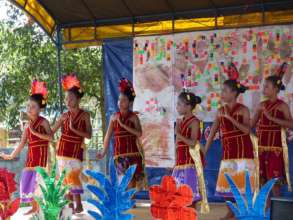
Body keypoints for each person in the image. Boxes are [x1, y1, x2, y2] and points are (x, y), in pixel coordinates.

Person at [205, 64, 256, 220]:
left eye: (225, 91)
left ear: (234, 93)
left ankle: (240, 212)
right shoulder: (220, 110)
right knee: (226, 187)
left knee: (241, 186)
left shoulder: (243, 109)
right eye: (222, 90)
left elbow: (247, 130)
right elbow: (213, 131)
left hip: (243, 153)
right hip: (228, 154)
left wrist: (229, 118)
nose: (222, 93)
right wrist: (204, 151)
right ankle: (231, 211)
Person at [1, 80, 53, 215]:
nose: (29, 109)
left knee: (39, 184)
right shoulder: (27, 126)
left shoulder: (44, 122)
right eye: (28, 106)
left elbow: (51, 137)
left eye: (33, 106)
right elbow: (21, 143)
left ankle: (41, 209)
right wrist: (11, 155)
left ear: (40, 108)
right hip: (31, 159)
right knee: (28, 182)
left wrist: (36, 133)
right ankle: (35, 207)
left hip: (42, 159)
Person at [251, 62, 293, 200]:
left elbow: (291, 124)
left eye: (267, 87)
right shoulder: (261, 105)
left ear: (275, 89)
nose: (264, 89)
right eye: (264, 86)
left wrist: (271, 118)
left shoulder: (282, 106)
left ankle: (277, 210)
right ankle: (266, 209)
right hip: (261, 147)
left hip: (276, 148)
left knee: (274, 182)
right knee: (262, 180)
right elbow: (251, 124)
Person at [52, 74, 92, 214]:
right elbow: (51, 132)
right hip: (62, 150)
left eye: (71, 99)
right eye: (66, 99)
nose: (68, 101)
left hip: (75, 151)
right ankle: (69, 206)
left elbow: (89, 135)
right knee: (65, 178)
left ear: (78, 99)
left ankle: (78, 204)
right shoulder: (64, 115)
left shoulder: (85, 115)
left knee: (73, 176)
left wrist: (75, 129)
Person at [97, 78, 146, 191]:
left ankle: (129, 202)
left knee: (132, 179)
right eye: (119, 100)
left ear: (130, 102)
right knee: (122, 179)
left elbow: (139, 133)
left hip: (133, 154)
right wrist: (103, 151)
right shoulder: (114, 117)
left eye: (123, 100)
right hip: (119, 155)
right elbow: (108, 136)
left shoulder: (133, 117)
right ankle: (126, 201)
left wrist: (124, 126)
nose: (120, 102)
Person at [172, 91, 207, 210]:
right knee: (179, 196)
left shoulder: (194, 122)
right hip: (180, 164)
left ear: (188, 106)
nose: (177, 107)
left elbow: (193, 143)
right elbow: (177, 145)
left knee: (190, 196)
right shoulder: (180, 121)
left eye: (179, 104)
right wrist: (175, 162)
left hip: (190, 164)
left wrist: (178, 134)